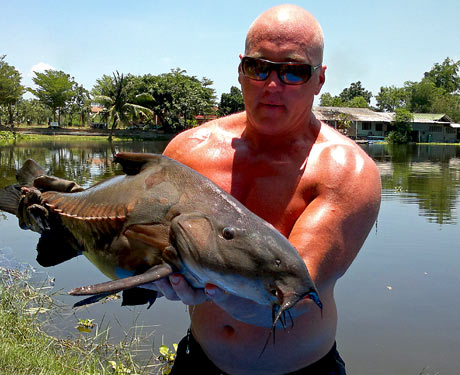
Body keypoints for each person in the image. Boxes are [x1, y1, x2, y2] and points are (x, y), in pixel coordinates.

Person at [153, 4, 381, 375]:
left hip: (303, 370)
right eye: (259, 68)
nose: (272, 85)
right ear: (240, 70)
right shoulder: (186, 152)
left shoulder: (346, 170)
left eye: (294, 72)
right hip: (200, 361)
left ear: (319, 80)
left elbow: (295, 296)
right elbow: (143, 237)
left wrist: (204, 287)